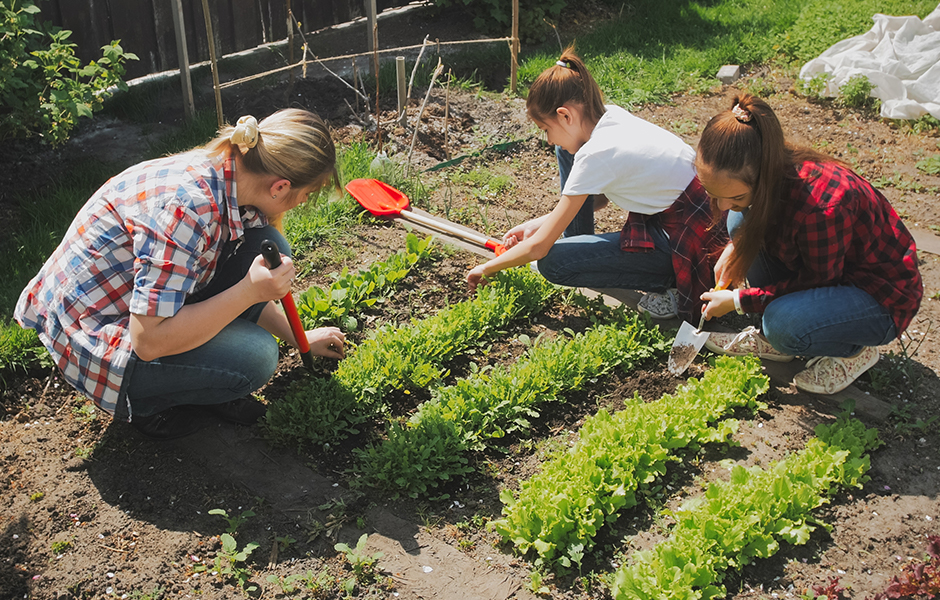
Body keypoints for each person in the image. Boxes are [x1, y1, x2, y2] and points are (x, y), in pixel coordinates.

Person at [14, 109, 347, 439]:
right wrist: (249, 291)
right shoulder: (187, 210)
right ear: (279, 187)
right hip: (98, 337)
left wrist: (298, 337)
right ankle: (147, 403)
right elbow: (147, 341)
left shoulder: (230, 173)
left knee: (267, 244)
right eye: (303, 198)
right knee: (255, 356)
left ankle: (202, 369)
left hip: (129, 304)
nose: (298, 205)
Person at [466, 48, 727, 322]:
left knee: (554, 263)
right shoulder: (611, 118)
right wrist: (535, 226)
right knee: (566, 151)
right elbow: (596, 199)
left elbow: (539, 249)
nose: (548, 140)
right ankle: (579, 241)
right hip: (703, 222)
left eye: (546, 129)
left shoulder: (596, 154)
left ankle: (669, 283)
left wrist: (487, 268)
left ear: (565, 116)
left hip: (691, 247)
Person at [698, 94, 923, 394]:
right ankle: (785, 339)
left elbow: (818, 280)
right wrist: (737, 249)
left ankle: (854, 350)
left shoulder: (821, 207)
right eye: (713, 194)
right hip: (832, 270)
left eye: (736, 197)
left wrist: (740, 301)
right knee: (739, 224)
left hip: (879, 296)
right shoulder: (770, 171)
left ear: (763, 177)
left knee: (781, 325)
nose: (723, 204)